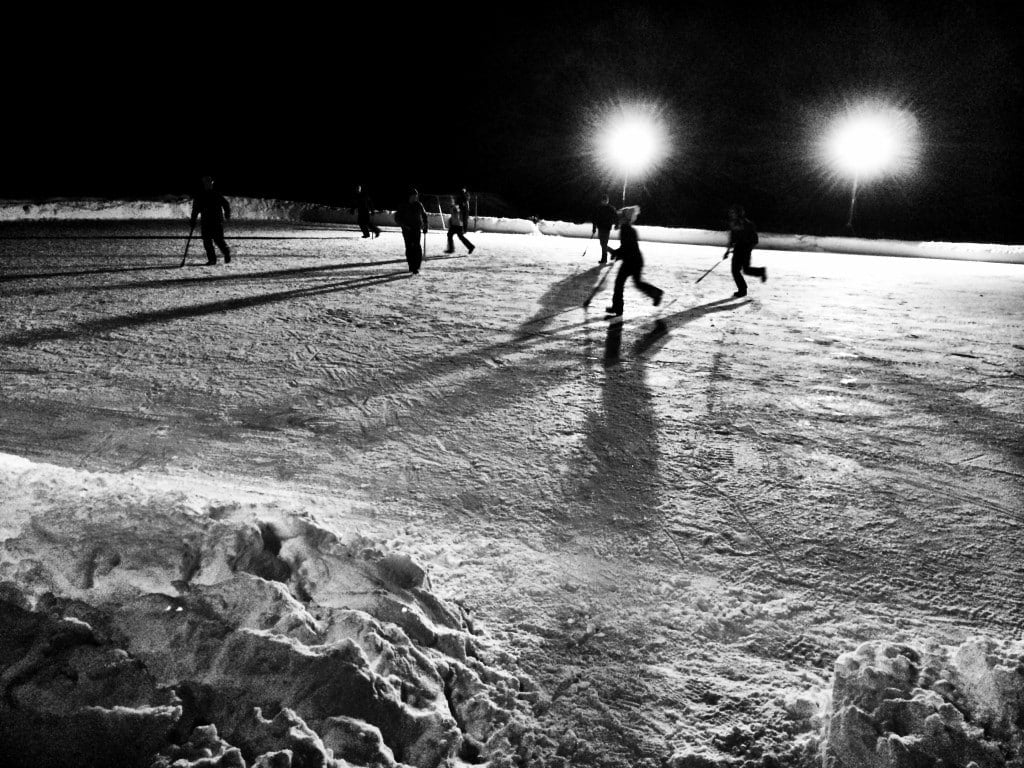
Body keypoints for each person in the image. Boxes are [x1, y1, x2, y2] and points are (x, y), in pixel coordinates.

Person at [605, 205, 663, 317]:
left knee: (619, 283)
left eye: (620, 218)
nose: (618, 219)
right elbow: (627, 248)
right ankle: (656, 293)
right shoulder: (627, 229)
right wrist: (617, 254)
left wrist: (614, 252)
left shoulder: (626, 230)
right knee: (637, 283)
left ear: (624, 219)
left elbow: (626, 248)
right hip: (634, 260)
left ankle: (617, 307)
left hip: (631, 261)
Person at [725, 204, 767, 297]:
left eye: (733, 212)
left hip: (745, 250)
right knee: (736, 270)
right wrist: (727, 251)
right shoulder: (733, 224)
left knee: (745, 270)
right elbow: (732, 239)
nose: (731, 214)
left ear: (738, 214)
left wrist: (747, 249)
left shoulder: (748, 224)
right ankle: (743, 289)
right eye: (731, 212)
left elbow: (755, 240)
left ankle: (760, 272)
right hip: (737, 250)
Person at [190, 175, 232, 265]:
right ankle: (212, 259)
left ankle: (226, 252)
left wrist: (227, 213)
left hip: (216, 221)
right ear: (204, 184)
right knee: (207, 242)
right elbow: (195, 209)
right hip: (206, 222)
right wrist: (193, 220)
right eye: (206, 183)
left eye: (209, 183)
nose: (208, 185)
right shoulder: (200, 196)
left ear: (211, 184)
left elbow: (226, 204)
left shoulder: (216, 194)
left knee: (219, 240)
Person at [393, 186, 428, 274]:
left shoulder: (419, 204)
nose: (416, 197)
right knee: (409, 248)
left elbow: (424, 215)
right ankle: (411, 266)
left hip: (416, 228)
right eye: (414, 196)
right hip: (407, 230)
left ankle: (416, 266)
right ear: (410, 196)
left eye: (416, 196)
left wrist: (425, 225)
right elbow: (397, 218)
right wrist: (404, 225)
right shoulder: (403, 205)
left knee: (417, 247)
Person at [591, 194, 619, 264]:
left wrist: (617, 224)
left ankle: (604, 259)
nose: (605, 202)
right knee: (602, 243)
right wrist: (594, 228)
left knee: (604, 244)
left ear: (608, 201)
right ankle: (613, 252)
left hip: (607, 228)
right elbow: (595, 219)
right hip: (600, 228)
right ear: (602, 201)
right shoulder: (598, 208)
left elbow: (616, 217)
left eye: (606, 200)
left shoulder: (611, 208)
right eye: (604, 200)